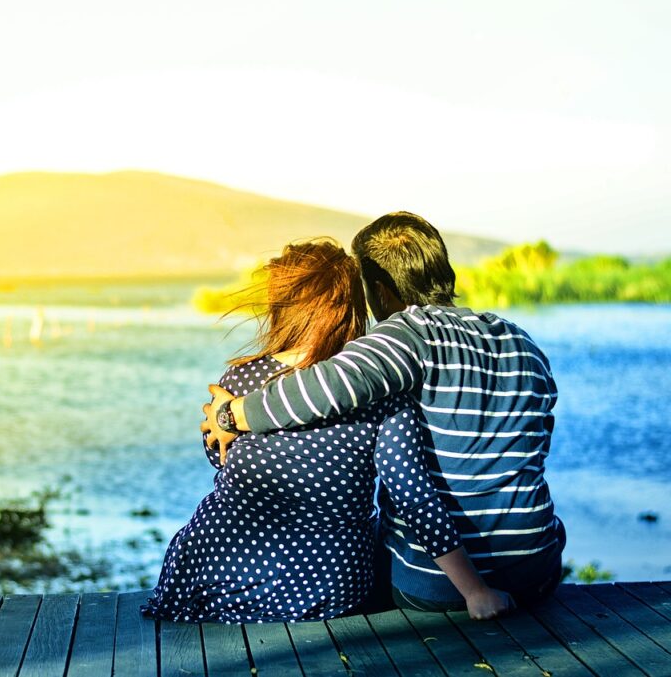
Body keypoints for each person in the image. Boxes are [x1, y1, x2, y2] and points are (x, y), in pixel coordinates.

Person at [202, 212, 565, 616]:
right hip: (537, 569)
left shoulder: (403, 335)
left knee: (356, 538)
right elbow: (538, 446)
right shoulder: (519, 341)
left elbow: (320, 389)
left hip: (437, 585)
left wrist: (230, 415)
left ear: (379, 291)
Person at [144, 238, 506, 624]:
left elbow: (217, 457)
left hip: (218, 573)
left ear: (282, 308)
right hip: (326, 586)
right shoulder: (377, 388)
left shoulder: (241, 379)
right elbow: (410, 493)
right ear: (351, 306)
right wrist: (474, 591)